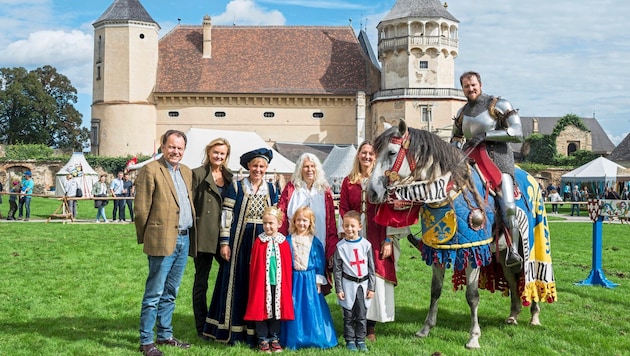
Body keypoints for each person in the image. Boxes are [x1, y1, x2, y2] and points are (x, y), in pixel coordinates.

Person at [203, 148, 279, 345]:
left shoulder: (271, 189)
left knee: (259, 285)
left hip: (263, 244)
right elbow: (227, 216)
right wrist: (225, 243)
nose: (258, 169)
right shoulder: (237, 187)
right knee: (236, 282)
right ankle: (233, 330)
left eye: (262, 166)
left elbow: (277, 218)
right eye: (255, 165)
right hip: (239, 243)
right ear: (248, 167)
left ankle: (257, 333)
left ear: (266, 168)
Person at [450, 71, 524, 269]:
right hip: (468, 161)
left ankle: (513, 249)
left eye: (473, 85)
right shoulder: (461, 113)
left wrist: (487, 135)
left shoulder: (498, 105)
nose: (470, 89)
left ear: (480, 84)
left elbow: (517, 133)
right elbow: (456, 139)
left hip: (496, 162)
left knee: (507, 204)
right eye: (466, 86)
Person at [135, 130, 195, 356]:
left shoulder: (186, 172)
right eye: (172, 147)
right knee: (154, 292)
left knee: (172, 290)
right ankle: (146, 341)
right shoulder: (150, 170)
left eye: (180, 148)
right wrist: (147, 237)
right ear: (162, 146)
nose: (176, 151)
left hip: (184, 238)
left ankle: (165, 334)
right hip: (161, 239)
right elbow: (141, 209)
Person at [338, 140, 401, 341]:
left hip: (378, 234)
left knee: (374, 277)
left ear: (376, 157)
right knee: (353, 276)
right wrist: (345, 235)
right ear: (358, 155)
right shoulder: (349, 181)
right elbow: (344, 208)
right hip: (354, 234)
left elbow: (391, 210)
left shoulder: (384, 179)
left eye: (371, 154)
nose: (367, 156)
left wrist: (389, 239)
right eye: (364, 153)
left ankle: (370, 327)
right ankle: (353, 322)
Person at [190, 138, 234, 338]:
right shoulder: (197, 174)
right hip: (204, 234)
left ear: (226, 156)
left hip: (224, 235)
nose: (218, 156)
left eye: (222, 153)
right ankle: (201, 325)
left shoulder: (230, 177)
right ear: (209, 152)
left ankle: (223, 318)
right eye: (215, 152)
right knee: (201, 282)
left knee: (230, 276)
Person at [277, 152, 338, 293]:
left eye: (312, 166)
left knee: (316, 280)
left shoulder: (324, 190)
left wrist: (331, 247)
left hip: (318, 243)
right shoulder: (292, 189)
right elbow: (281, 216)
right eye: (306, 166)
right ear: (300, 169)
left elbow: (331, 221)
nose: (309, 170)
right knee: (295, 284)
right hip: (295, 245)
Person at [280, 206, 338, 350]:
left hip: (309, 279)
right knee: (294, 307)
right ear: (294, 221)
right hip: (294, 279)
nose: (301, 223)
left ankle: (314, 337)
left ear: (310, 222)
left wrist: (318, 280)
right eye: (298, 220)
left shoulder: (315, 242)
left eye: (305, 220)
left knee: (311, 307)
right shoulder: (288, 240)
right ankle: (294, 337)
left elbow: (319, 261)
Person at [244, 206, 294, 353]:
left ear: (279, 223)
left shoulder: (283, 242)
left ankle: (274, 338)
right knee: (262, 309)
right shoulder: (259, 242)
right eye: (265, 223)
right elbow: (254, 266)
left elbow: (286, 266)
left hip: (277, 284)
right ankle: (262, 339)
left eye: (271, 223)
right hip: (262, 284)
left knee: (275, 311)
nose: (267, 226)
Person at [333, 210, 375, 352]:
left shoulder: (366, 245)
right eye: (346, 226)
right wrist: (339, 289)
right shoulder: (341, 247)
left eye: (352, 225)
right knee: (349, 315)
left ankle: (361, 340)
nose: (349, 229)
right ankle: (350, 340)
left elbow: (371, 268)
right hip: (348, 284)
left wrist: (372, 287)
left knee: (362, 315)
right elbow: (337, 270)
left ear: (359, 227)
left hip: (363, 285)